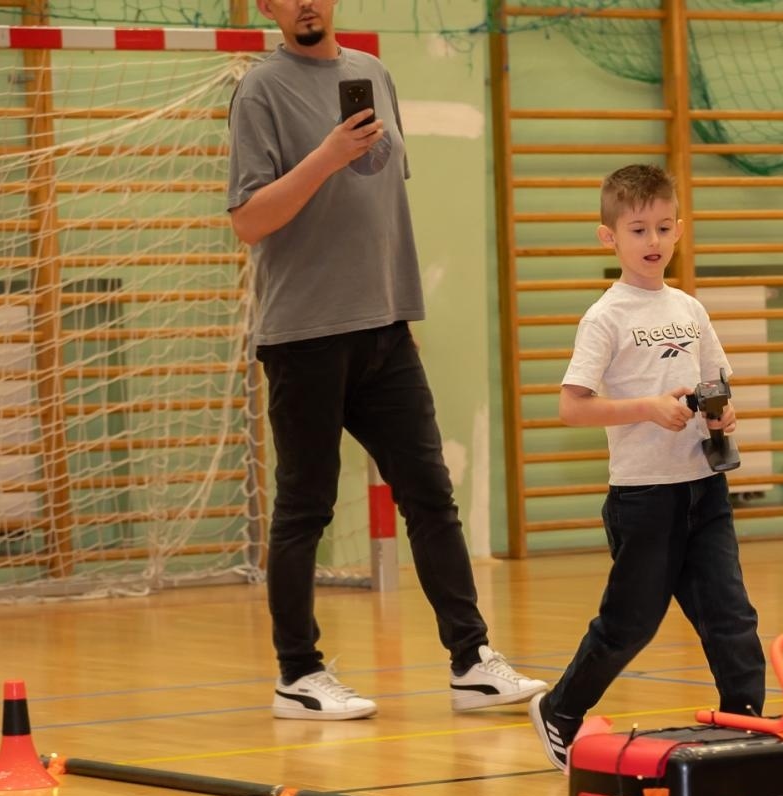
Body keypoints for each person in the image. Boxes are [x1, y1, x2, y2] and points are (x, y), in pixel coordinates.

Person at [226, 0, 546, 721]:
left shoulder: (373, 73)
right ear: (269, 7)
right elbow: (249, 221)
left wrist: (397, 315)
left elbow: (379, 204)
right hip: (304, 336)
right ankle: (297, 675)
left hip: (386, 330)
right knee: (305, 506)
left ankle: (471, 661)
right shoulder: (261, 90)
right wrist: (326, 156)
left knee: (431, 494)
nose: (306, 1)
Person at [529, 164, 766, 770]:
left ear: (680, 229)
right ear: (609, 237)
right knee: (630, 625)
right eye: (638, 230)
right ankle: (560, 707)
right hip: (644, 499)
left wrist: (722, 414)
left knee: (731, 617)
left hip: (703, 491)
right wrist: (646, 408)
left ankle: (747, 724)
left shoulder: (689, 308)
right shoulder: (605, 317)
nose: (653, 241)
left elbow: (716, 384)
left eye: (663, 227)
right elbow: (571, 407)